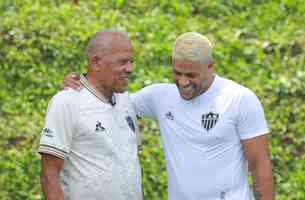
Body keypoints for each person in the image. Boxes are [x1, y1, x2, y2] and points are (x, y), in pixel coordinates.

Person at [63, 32, 274, 200]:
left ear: (210, 66)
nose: (182, 82)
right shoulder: (160, 96)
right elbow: (109, 103)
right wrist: (81, 86)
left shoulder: (239, 99)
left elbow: (260, 164)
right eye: (177, 73)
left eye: (191, 75)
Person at [39, 30, 143, 200]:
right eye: (122, 62)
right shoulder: (66, 102)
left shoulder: (126, 101)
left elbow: (131, 166)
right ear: (95, 62)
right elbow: (49, 175)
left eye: (131, 61)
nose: (130, 68)